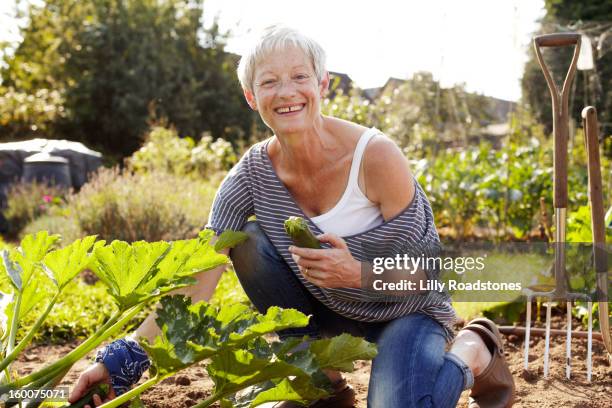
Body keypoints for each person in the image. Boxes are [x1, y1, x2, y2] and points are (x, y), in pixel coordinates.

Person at [69, 26, 515, 408]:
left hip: (407, 312)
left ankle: (475, 348)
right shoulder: (250, 175)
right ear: (251, 96)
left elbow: (428, 271)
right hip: (328, 315)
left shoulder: (375, 157)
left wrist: (358, 272)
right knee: (243, 241)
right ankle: (324, 384)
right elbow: (199, 276)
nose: (286, 92)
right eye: (269, 82)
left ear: (321, 85)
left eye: (299, 77)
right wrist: (125, 356)